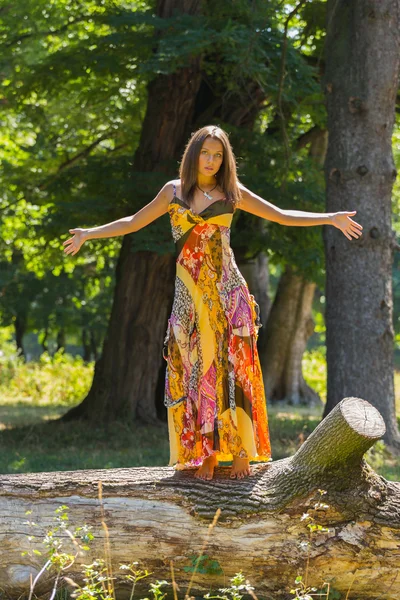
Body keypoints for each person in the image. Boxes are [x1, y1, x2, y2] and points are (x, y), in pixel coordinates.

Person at [63, 125, 363, 481]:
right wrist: (89, 233)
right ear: (194, 154)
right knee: (194, 368)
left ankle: (238, 451)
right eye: (205, 153)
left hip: (227, 290)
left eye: (218, 155)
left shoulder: (232, 193)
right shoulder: (173, 192)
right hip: (189, 294)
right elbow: (133, 222)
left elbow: (281, 215)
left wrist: (329, 218)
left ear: (225, 159)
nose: (211, 160)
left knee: (231, 366)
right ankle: (204, 452)